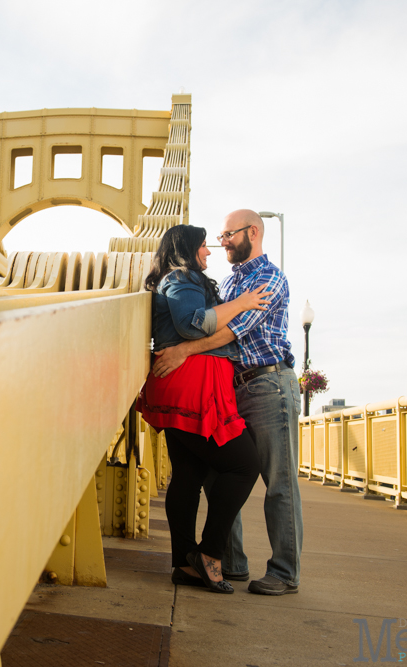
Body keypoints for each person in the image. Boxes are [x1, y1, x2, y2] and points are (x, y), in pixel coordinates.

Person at [152, 209, 302, 596]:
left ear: (253, 232)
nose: (221, 243)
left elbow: (230, 333)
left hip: (267, 385)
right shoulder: (228, 283)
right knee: (219, 474)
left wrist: (183, 351)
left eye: (228, 235)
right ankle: (227, 562)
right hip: (229, 387)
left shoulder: (267, 278)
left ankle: (284, 572)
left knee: (276, 482)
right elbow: (203, 318)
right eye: (215, 238)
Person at [137, 225, 269, 594]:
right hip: (193, 385)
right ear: (187, 249)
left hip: (185, 382)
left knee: (189, 474)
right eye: (203, 247)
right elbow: (194, 325)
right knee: (244, 465)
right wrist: (242, 303)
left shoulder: (178, 278)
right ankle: (208, 555)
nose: (209, 253)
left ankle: (183, 564)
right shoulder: (181, 278)